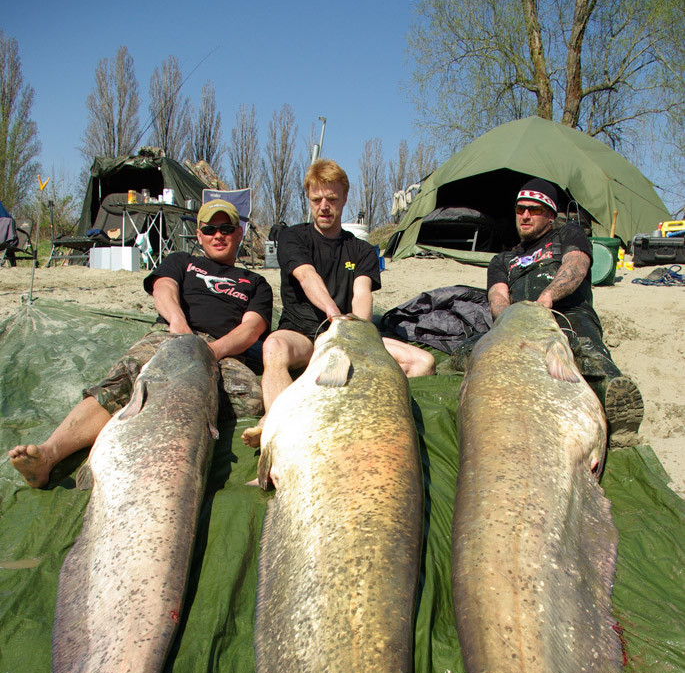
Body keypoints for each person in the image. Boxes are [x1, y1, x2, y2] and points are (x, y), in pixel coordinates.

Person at [9, 200, 273, 488]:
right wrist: (178, 326)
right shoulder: (182, 261)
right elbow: (163, 288)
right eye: (210, 229)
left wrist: (211, 352)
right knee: (125, 378)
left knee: (251, 399)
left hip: (222, 351)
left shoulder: (255, 282)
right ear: (199, 235)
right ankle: (49, 454)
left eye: (226, 228)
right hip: (172, 335)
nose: (218, 235)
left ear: (238, 234)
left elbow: (252, 328)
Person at [241, 159, 435, 447]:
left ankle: (383, 422)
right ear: (308, 198)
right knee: (273, 346)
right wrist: (333, 315)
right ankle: (275, 424)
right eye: (316, 199)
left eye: (332, 199)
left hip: (348, 337)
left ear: (344, 198)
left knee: (424, 361)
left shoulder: (363, 250)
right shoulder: (292, 238)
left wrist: (356, 331)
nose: (324, 206)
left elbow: (362, 292)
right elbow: (306, 276)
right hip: (303, 335)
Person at [486, 178, 644, 446]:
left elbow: (576, 266)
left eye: (534, 210)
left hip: (566, 314)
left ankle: (616, 410)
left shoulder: (568, 234)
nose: (524, 216)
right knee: (469, 352)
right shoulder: (502, 260)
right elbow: (497, 295)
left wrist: (547, 297)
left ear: (549, 215)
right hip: (519, 324)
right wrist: (512, 318)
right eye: (520, 209)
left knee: (586, 350)